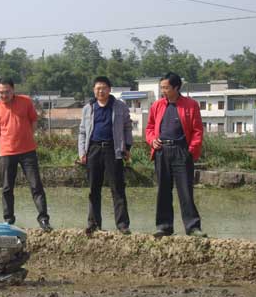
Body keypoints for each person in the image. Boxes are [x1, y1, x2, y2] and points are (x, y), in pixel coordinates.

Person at [145, 72, 207, 238]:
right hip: (162, 151)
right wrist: (152, 141)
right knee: (163, 190)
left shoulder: (191, 105)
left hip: (182, 151)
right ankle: (164, 227)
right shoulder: (157, 105)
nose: (163, 90)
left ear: (176, 87)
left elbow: (197, 131)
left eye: (166, 87)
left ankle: (193, 227)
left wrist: (191, 151)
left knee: (185, 190)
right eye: (162, 88)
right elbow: (149, 128)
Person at [0, 77, 52, 231]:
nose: (4, 95)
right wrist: (3, 143)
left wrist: (28, 136)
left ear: (13, 89)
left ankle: (43, 219)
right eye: (1, 92)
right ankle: (9, 220)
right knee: (7, 188)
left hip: (28, 151)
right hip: (7, 153)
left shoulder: (25, 101)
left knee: (36, 185)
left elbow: (33, 120)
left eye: (7, 92)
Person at [78, 76, 133, 235]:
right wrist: (82, 152)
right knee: (93, 188)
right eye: (97, 88)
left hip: (113, 150)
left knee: (117, 188)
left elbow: (127, 127)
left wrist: (127, 147)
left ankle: (122, 225)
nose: (100, 91)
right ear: (94, 90)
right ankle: (94, 223)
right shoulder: (89, 107)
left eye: (103, 88)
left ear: (109, 89)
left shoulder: (119, 107)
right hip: (93, 150)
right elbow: (82, 131)